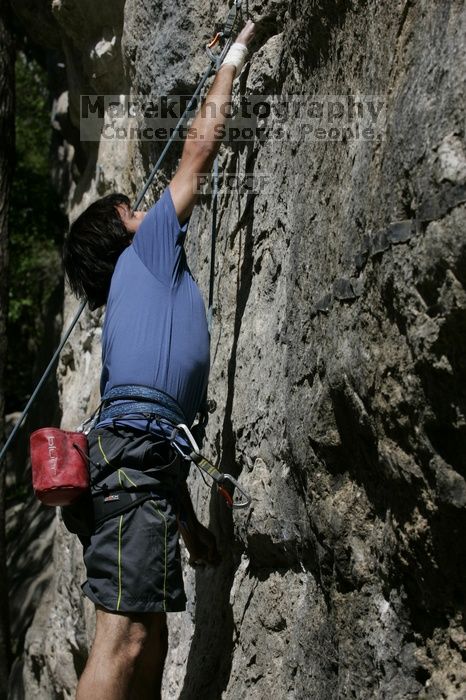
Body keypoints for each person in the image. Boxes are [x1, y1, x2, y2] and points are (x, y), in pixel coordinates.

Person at [62, 19, 256, 700]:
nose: (146, 209)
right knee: (125, 642)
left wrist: (190, 524)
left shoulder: (128, 303)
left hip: (138, 471)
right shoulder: (147, 253)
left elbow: (141, 444)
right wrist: (236, 53)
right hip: (135, 469)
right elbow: (200, 151)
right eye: (132, 209)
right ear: (124, 231)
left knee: (150, 643)